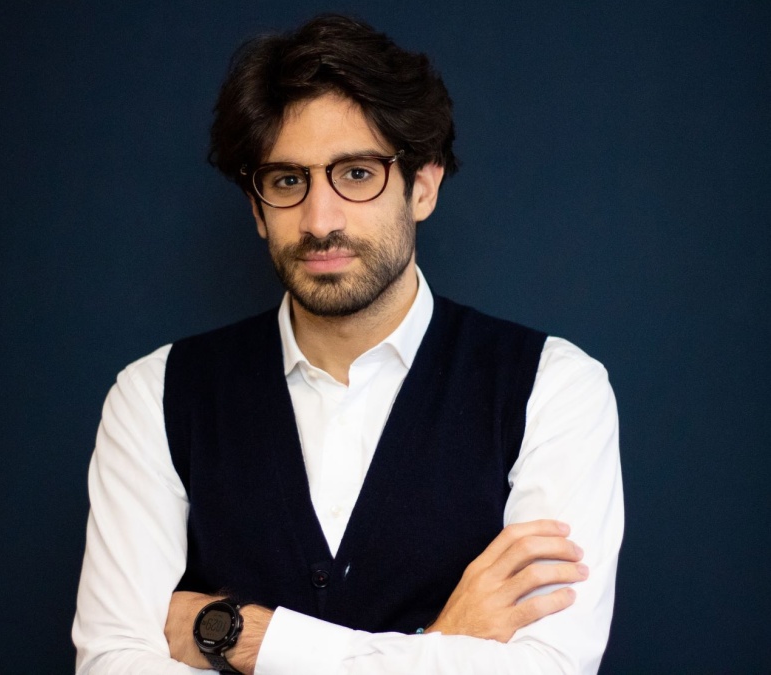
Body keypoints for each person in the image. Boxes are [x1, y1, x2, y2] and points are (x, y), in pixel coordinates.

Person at [72, 13, 623, 675]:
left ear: (423, 186)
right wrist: (442, 640)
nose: (319, 220)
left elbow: (547, 667)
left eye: (357, 174)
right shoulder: (155, 395)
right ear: (256, 207)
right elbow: (111, 664)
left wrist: (253, 637)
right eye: (287, 180)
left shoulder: (552, 388)